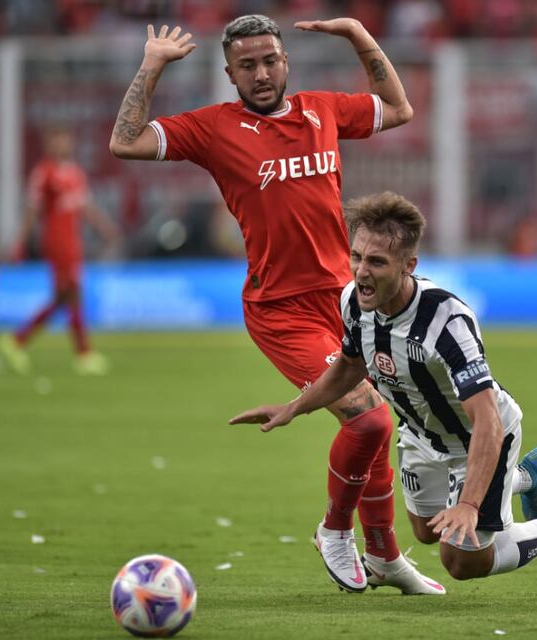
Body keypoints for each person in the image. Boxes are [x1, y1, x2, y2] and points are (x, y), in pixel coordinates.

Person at [108, 15, 443, 594]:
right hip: (280, 309)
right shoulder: (214, 129)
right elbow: (125, 141)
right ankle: (336, 530)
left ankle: (386, 555)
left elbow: (400, 107)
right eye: (247, 66)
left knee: (372, 430)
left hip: (347, 299)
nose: (261, 74)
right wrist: (152, 65)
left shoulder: (324, 110)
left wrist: (359, 35)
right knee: (369, 417)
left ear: (286, 62)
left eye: (269, 61)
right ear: (230, 73)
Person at [229, 192, 537, 582]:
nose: (361, 272)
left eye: (376, 262)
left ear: (409, 265)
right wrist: (293, 408)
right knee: (426, 530)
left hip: (481, 438)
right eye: (356, 257)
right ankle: (524, 479)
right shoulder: (352, 301)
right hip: (421, 435)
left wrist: (470, 503)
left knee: (461, 559)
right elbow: (349, 368)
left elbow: (488, 420)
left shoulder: (447, 323)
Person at [0, 126, 120, 376]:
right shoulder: (44, 173)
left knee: (64, 296)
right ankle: (82, 354)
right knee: (72, 293)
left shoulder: (75, 173)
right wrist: (20, 242)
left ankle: (17, 341)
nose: (62, 145)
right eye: (57, 140)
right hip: (55, 242)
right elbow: (33, 211)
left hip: (72, 242)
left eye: (66, 139)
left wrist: (106, 228)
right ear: (48, 144)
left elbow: (86, 207)